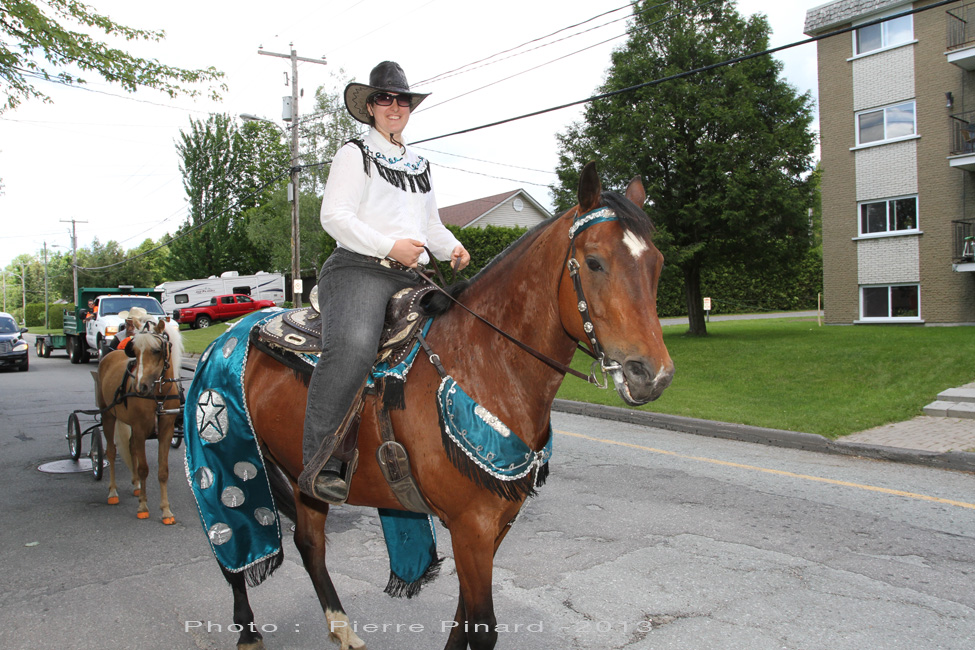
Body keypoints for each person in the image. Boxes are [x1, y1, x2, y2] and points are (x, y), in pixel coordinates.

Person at [299, 61, 470, 502]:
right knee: (354, 346)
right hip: (357, 269)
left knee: (463, 331)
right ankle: (322, 461)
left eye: (402, 100)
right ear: (370, 107)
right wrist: (390, 246)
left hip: (409, 275)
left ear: (409, 107)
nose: (394, 106)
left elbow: (430, 225)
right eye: (384, 98)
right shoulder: (354, 154)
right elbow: (334, 217)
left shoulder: (420, 164)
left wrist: (451, 246)